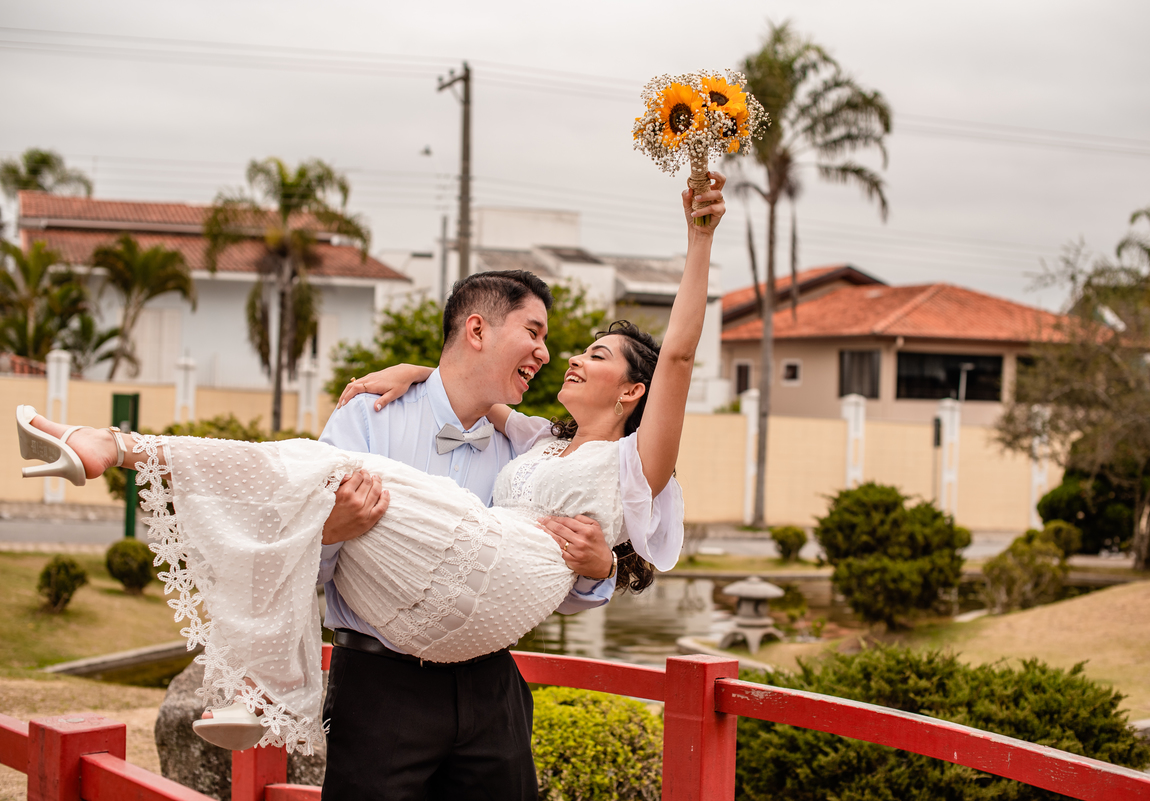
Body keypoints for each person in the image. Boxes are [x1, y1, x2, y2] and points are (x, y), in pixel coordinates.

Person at [15, 171, 725, 801]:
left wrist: (603, 568)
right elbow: (305, 541)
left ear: (633, 388)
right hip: (382, 685)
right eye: (535, 333)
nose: (551, 352)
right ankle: (125, 457)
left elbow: (664, 391)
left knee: (330, 475)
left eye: (574, 347)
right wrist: (333, 523)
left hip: (489, 682)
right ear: (478, 329)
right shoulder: (403, 419)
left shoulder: (536, 440)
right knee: (326, 480)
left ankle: (125, 453)